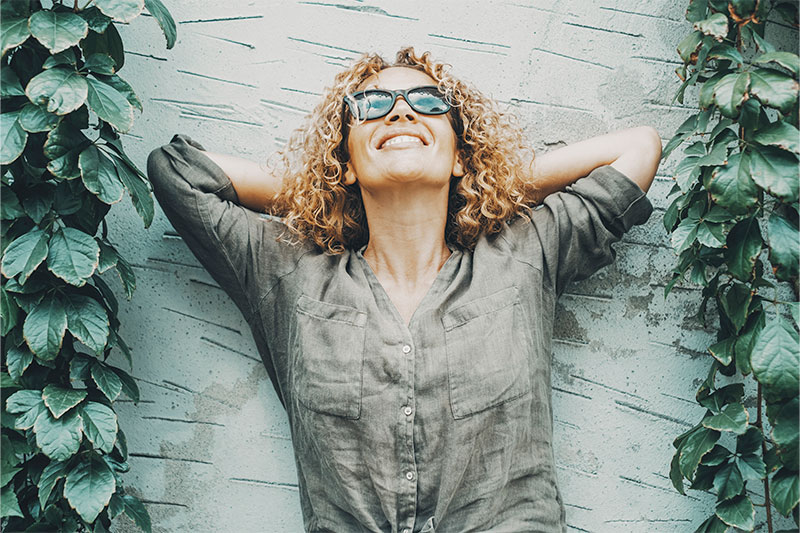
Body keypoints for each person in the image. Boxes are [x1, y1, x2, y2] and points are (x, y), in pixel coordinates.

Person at [147, 47, 661, 533]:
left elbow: (637, 149)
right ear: (344, 158)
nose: (399, 114)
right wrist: (326, 189)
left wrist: (488, 181)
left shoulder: (526, 255)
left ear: (461, 153)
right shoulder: (290, 273)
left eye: (427, 103)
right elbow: (177, 172)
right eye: (371, 106)